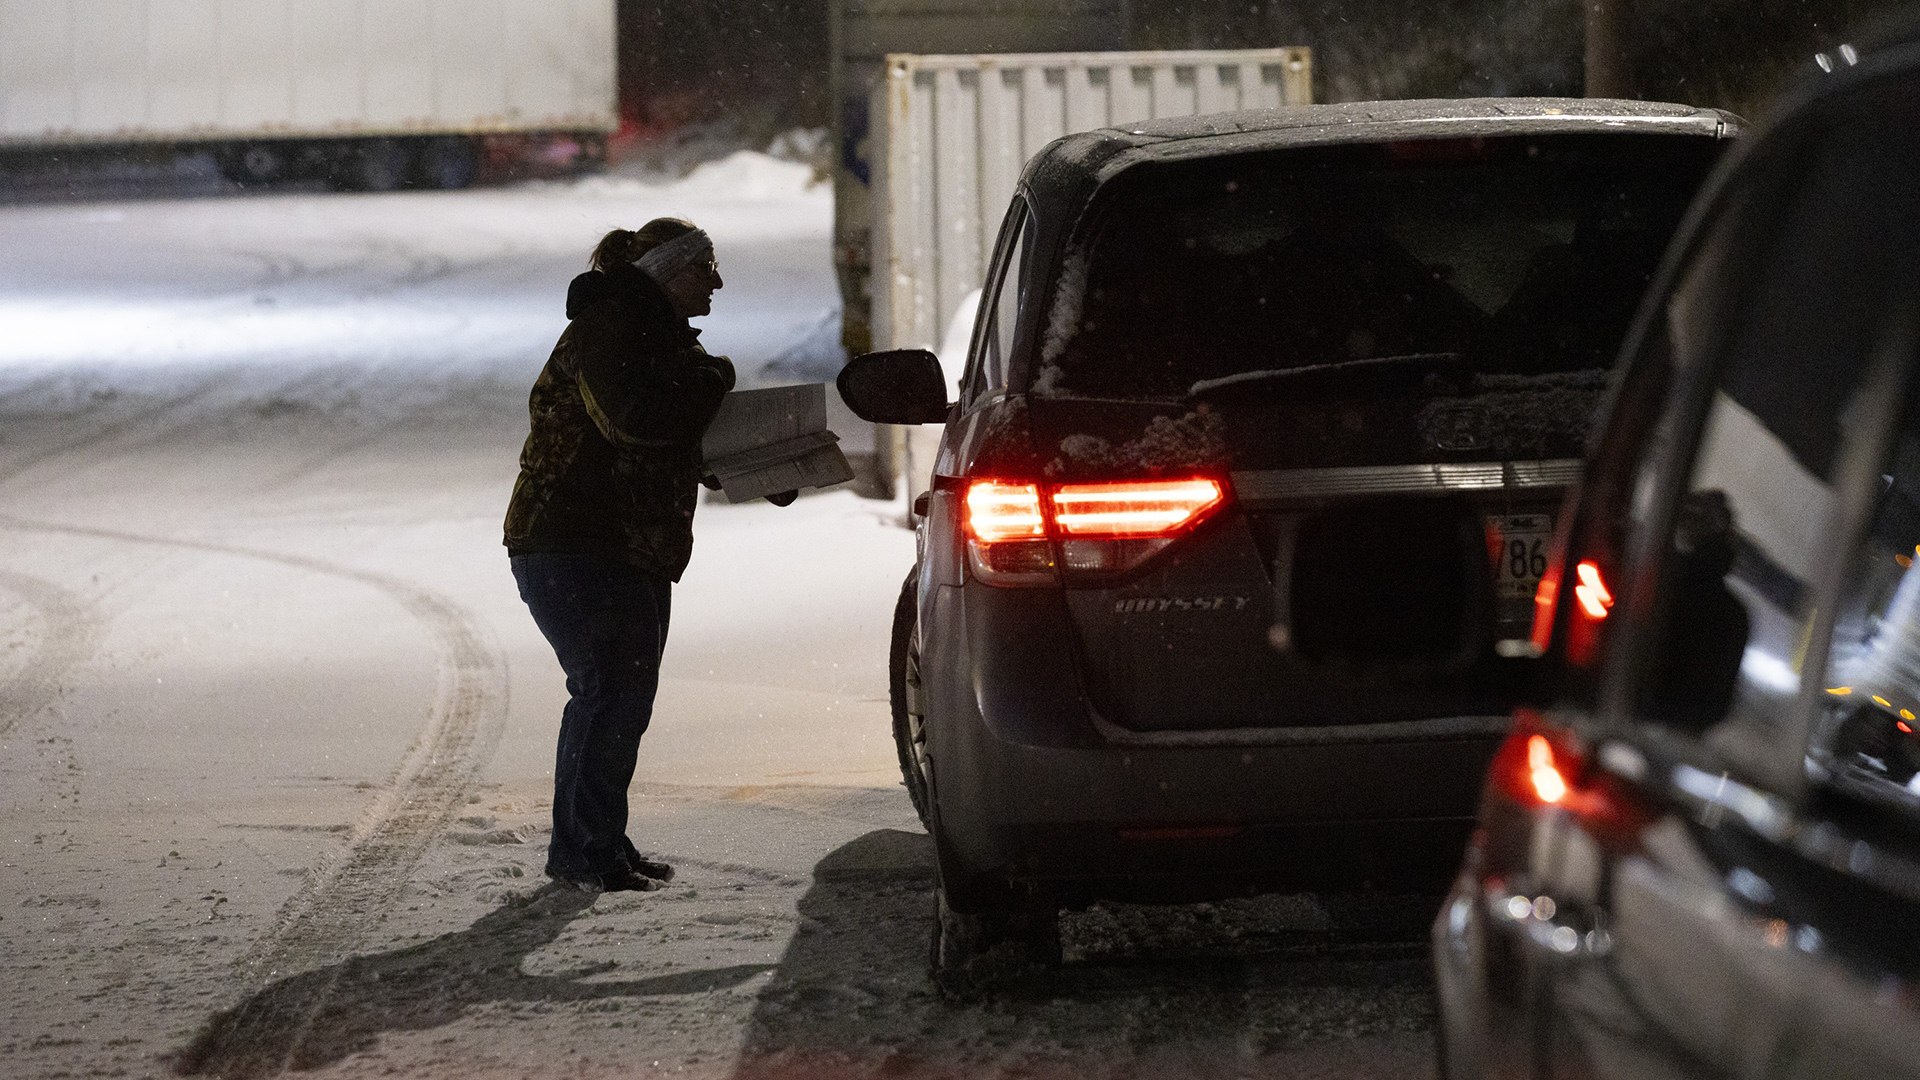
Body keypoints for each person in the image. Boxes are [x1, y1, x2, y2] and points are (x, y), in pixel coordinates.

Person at [504, 218, 732, 893]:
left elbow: (663, 436)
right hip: (575, 542)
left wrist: (755, 465)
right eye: (703, 267)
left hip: (621, 545)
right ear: (663, 271)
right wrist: (713, 382)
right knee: (608, 693)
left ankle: (598, 840)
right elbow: (635, 423)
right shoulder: (613, 328)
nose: (716, 281)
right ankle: (583, 852)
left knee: (619, 697)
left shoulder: (653, 338)